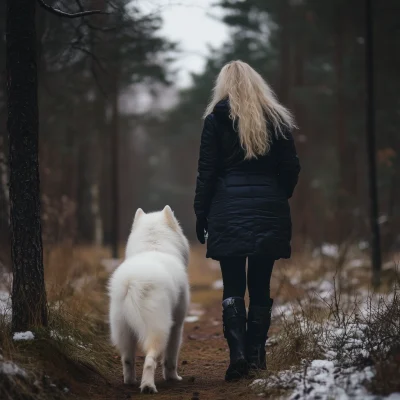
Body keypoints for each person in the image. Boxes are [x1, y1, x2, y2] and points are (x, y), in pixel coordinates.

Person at [194, 60, 300, 381]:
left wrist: (202, 213)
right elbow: (291, 167)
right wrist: (277, 194)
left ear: (223, 85)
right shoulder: (277, 119)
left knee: (234, 286)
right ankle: (257, 358)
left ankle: (237, 354)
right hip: (269, 208)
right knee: (260, 285)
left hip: (227, 211)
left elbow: (207, 173)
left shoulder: (216, 120)